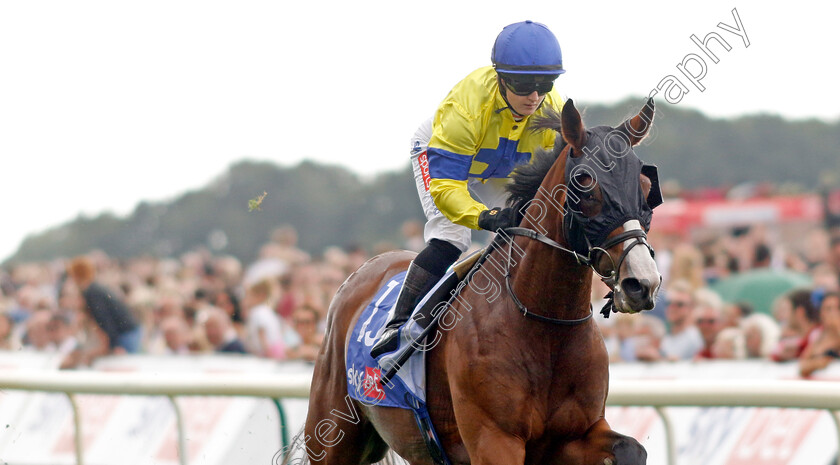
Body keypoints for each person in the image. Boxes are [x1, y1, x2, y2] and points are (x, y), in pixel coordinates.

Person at [371, 20, 566, 357]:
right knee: (453, 238)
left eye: (544, 84)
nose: (534, 96)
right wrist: (485, 217)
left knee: (529, 226)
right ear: (501, 77)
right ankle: (396, 323)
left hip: (498, 167)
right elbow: (447, 187)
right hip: (444, 155)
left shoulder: (552, 111)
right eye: (523, 85)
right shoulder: (466, 107)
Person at [67, 256, 143, 363]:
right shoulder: (94, 288)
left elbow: (104, 320)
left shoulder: (91, 292)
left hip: (124, 334)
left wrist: (113, 345)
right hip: (127, 331)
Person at [799, 291, 840, 377]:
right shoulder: (817, 334)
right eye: (828, 309)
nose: (832, 313)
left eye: (836, 308)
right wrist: (817, 364)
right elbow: (802, 366)